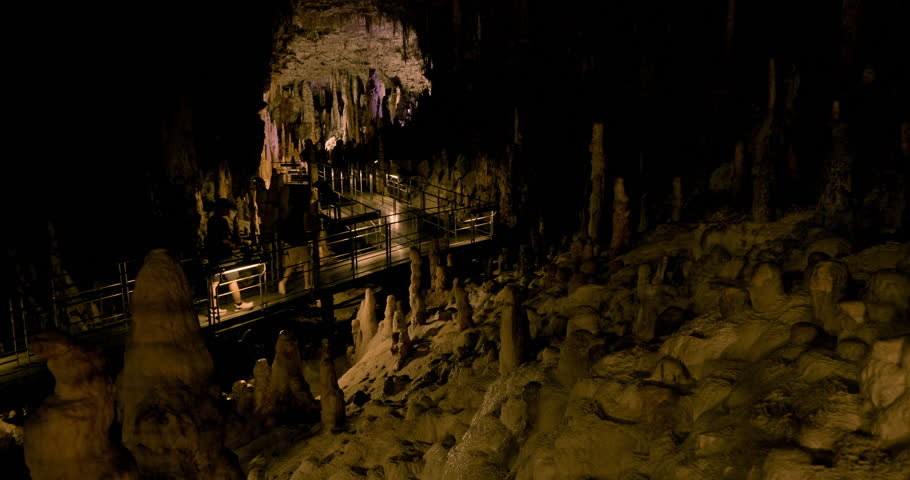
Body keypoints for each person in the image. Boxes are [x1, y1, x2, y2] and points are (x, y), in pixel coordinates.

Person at [206, 198, 253, 314]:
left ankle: (213, 308)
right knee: (232, 279)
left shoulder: (211, 220)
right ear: (224, 209)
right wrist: (234, 243)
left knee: (215, 282)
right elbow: (224, 239)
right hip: (224, 255)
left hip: (213, 254)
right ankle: (239, 304)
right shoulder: (221, 221)